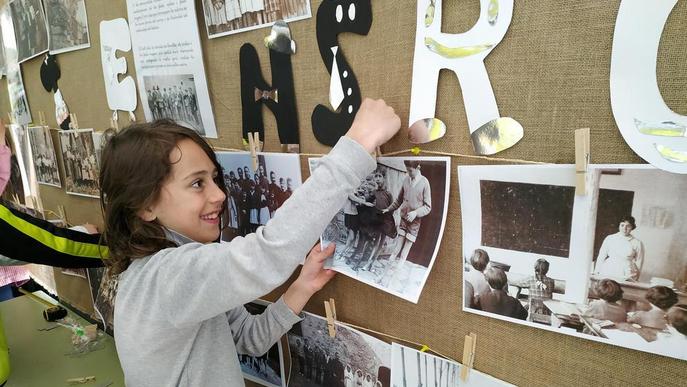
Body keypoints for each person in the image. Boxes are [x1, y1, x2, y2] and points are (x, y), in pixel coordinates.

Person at [99, 99, 400, 386]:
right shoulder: (165, 276)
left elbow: (247, 337)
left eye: (214, 179)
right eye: (197, 183)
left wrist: (302, 286)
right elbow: (265, 255)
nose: (218, 195)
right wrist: (358, 144)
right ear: (145, 205)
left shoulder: (174, 273)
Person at [377, 160, 431, 287]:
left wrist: (416, 212)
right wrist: (388, 209)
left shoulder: (425, 183)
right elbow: (399, 200)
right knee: (395, 250)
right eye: (407, 170)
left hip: (414, 224)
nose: (408, 173)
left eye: (410, 170)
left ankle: (391, 281)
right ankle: (382, 276)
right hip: (403, 221)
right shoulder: (406, 180)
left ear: (418, 167)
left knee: (403, 255)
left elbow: (428, 207)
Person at [594, 216, 644, 281]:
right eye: (622, 225)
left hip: (627, 272)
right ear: (619, 225)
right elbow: (601, 256)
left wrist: (636, 277)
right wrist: (596, 271)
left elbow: (639, 262)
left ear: (632, 227)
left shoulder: (637, 243)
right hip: (608, 269)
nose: (624, 228)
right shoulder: (610, 238)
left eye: (628, 226)